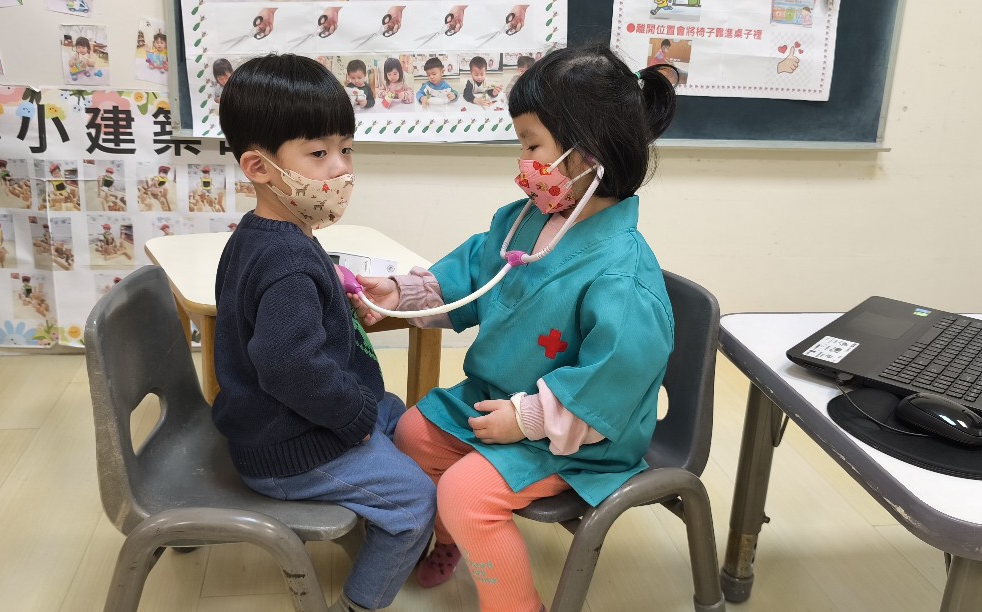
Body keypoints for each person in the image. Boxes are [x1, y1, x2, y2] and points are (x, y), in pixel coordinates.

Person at [349, 45, 681, 612]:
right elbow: (469, 277)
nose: (523, 163)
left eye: (532, 146)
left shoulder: (623, 277)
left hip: (576, 435)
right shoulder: (523, 222)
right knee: (412, 434)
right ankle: (452, 539)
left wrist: (526, 420)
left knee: (465, 493)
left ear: (588, 155)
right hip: (495, 399)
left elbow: (612, 382)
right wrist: (401, 293)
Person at [215, 53, 436, 612]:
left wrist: (331, 292)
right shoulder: (288, 259)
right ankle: (361, 601)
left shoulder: (266, 235)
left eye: (346, 149)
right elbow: (288, 365)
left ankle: (387, 526)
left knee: (399, 415)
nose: (341, 168)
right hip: (291, 448)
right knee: (416, 502)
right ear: (259, 167)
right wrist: (352, 417)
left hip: (278, 423)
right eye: (318, 154)